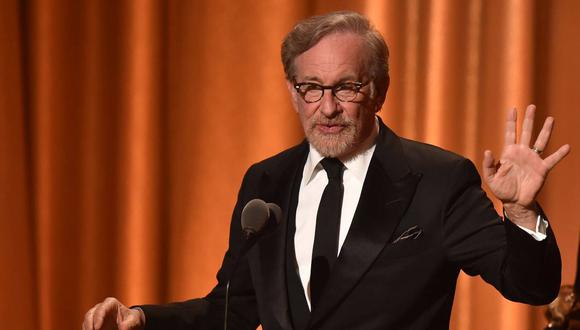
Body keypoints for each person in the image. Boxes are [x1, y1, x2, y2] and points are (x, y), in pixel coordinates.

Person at [82, 11, 571, 330]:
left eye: (347, 87)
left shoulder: (438, 180)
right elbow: (235, 305)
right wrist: (142, 318)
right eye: (311, 87)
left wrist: (521, 211)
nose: (328, 107)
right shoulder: (265, 182)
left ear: (378, 91)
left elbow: (531, 287)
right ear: (293, 92)